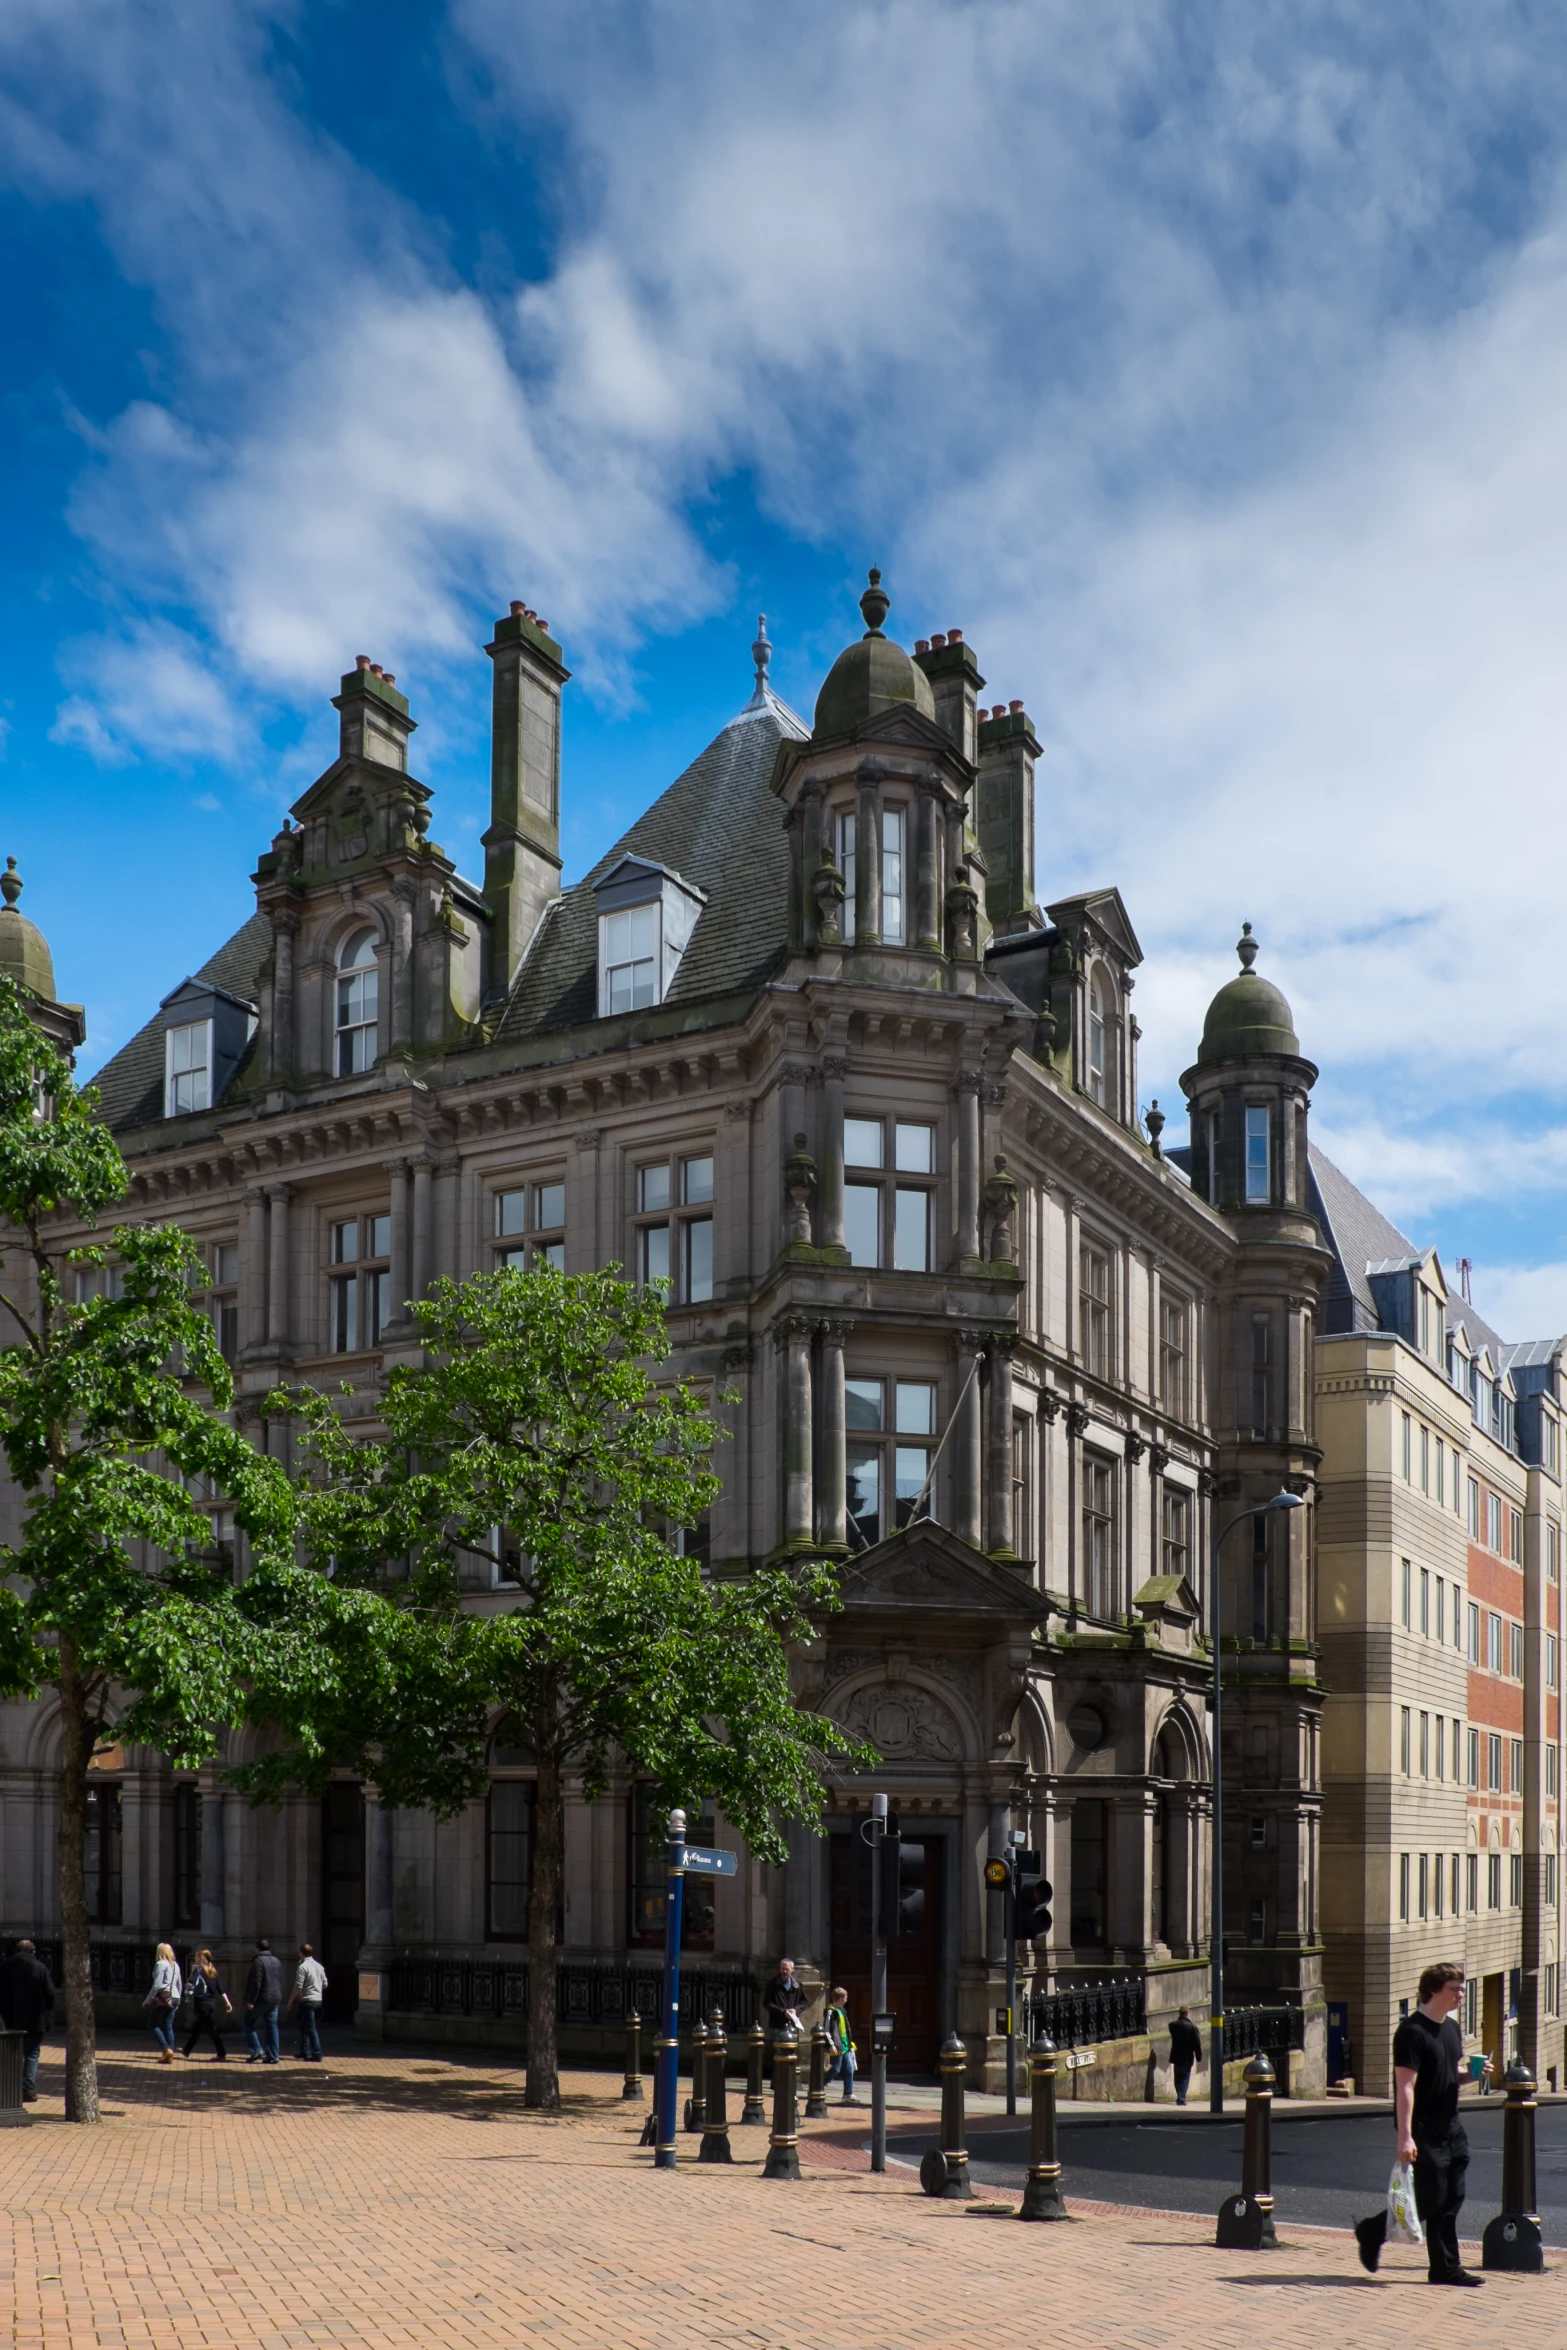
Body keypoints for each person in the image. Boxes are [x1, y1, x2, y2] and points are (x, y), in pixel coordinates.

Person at [1354, 1960, 1482, 2287]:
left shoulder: (1451, 2029)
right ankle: (1371, 2231)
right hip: (1424, 2129)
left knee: (1452, 2198)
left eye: (1461, 1989)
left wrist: (1472, 2075)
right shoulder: (1412, 2032)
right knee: (1430, 2198)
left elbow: (1447, 2075)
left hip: (1452, 2126)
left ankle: (1445, 2269)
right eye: (1454, 1989)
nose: (1460, 1995)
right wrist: (1406, 2137)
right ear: (1433, 1990)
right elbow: (1406, 2086)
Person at [0, 1937, 55, 2102]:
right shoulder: (40, 1967)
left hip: (10, 2018)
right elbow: (50, 1993)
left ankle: (8, 2088)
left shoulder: (5, 1967)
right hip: (34, 2019)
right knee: (31, 2054)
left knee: (10, 2055)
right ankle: (28, 2089)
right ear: (33, 1951)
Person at [182, 1950, 232, 2060]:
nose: (195, 1959)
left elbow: (190, 1985)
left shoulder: (198, 1970)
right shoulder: (213, 1971)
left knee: (211, 2029)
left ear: (201, 1958)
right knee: (197, 2027)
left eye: (196, 1957)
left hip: (201, 2003)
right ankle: (186, 2050)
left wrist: (187, 1998)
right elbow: (221, 1990)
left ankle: (221, 2052)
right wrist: (227, 2003)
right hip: (210, 2003)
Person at [244, 1938, 284, 2065]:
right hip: (275, 1997)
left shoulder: (258, 1961)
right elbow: (279, 1979)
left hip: (262, 1998)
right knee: (272, 2026)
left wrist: (251, 2000)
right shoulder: (276, 1961)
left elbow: (256, 1983)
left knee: (248, 2021)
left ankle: (256, 2050)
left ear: (258, 1949)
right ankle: (273, 2055)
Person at [143, 1942, 182, 2063]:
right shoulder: (175, 1965)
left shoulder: (161, 1964)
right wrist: (178, 2000)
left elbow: (157, 1985)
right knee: (168, 2026)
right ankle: (169, 2053)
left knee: (152, 2024)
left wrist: (148, 2000)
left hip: (164, 1997)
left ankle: (166, 2049)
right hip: (174, 1997)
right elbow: (179, 1984)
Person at [288, 1944, 328, 2061]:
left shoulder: (302, 1967)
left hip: (307, 2000)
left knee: (310, 2027)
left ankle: (317, 2053)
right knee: (305, 2025)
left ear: (301, 1953)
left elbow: (298, 1986)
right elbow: (325, 1983)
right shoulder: (319, 1966)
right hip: (317, 2000)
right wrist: (317, 1989)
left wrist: (290, 2000)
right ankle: (304, 2051)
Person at [824, 1986, 859, 2105]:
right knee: (835, 2069)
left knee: (849, 2069)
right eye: (845, 1997)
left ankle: (848, 2093)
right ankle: (819, 2085)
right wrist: (831, 2044)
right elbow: (827, 2029)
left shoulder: (843, 2010)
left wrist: (849, 2043)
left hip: (846, 2045)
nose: (846, 1999)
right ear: (839, 1998)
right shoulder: (830, 2011)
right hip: (837, 2045)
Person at [762, 1957, 806, 2039]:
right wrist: (783, 2012)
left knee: (792, 2049)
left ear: (792, 1969)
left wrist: (795, 2010)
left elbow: (803, 2002)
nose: (784, 1972)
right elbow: (767, 2003)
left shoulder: (798, 1985)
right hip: (777, 2025)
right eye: (782, 1969)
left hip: (793, 2024)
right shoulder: (772, 1984)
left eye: (787, 1969)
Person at [1169, 2007, 1203, 2107]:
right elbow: (1197, 2044)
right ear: (1187, 2014)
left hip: (1176, 2056)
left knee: (1177, 2078)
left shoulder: (1173, 2025)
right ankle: (1181, 2098)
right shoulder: (1192, 2028)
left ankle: (1180, 2095)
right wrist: (1199, 2056)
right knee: (1184, 2078)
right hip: (1187, 2057)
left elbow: (1171, 2025)